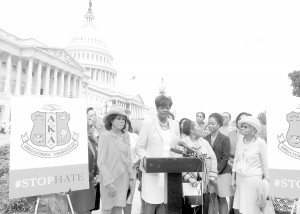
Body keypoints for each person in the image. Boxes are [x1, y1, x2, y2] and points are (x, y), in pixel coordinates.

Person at [135, 94, 180, 214]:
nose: (165, 110)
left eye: (168, 107)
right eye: (162, 107)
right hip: (152, 171)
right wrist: (148, 161)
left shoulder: (175, 125)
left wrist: (176, 163)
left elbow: (177, 147)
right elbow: (139, 147)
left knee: (164, 202)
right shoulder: (148, 124)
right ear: (157, 108)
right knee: (151, 202)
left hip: (168, 171)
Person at [98, 105, 135, 214]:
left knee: (118, 209)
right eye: (118, 118)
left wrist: (132, 178)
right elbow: (101, 162)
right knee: (107, 210)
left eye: (123, 119)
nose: (122, 121)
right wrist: (109, 182)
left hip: (123, 180)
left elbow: (128, 159)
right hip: (109, 180)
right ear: (111, 120)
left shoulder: (126, 136)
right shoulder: (105, 136)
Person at [231, 116, 269, 214]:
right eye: (242, 126)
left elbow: (265, 162)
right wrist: (233, 178)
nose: (242, 128)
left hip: (253, 180)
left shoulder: (260, 143)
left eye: (245, 127)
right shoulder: (240, 140)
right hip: (240, 179)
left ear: (253, 129)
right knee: (239, 207)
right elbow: (236, 159)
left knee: (252, 208)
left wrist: (266, 180)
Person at [180, 119, 218, 214]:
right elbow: (180, 164)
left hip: (204, 183)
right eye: (198, 127)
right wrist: (189, 178)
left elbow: (213, 157)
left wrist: (212, 175)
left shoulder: (204, 142)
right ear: (192, 130)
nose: (201, 128)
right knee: (191, 210)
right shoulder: (183, 143)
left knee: (203, 209)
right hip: (189, 184)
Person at [204, 113, 233, 214]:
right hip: (209, 173)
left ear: (219, 124)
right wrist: (210, 172)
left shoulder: (225, 139)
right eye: (209, 123)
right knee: (211, 198)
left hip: (223, 172)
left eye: (213, 123)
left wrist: (216, 171)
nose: (210, 125)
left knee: (222, 198)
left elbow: (225, 158)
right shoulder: (205, 139)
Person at [69, 118, 99, 214]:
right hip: (80, 185)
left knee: (87, 211)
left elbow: (97, 160)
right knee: (81, 210)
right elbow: (77, 167)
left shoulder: (92, 141)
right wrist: (91, 178)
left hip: (90, 185)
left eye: (93, 126)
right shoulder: (76, 144)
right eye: (90, 126)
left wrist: (97, 175)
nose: (92, 128)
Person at [227, 112, 252, 214]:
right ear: (237, 121)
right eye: (240, 119)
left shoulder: (253, 135)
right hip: (230, 166)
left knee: (245, 196)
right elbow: (226, 151)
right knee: (233, 196)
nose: (242, 121)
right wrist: (230, 163)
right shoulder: (231, 134)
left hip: (247, 169)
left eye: (245, 119)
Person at [123, 119, 139, 214]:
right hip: (118, 173)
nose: (124, 125)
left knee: (129, 200)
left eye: (126, 123)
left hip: (131, 171)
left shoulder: (134, 137)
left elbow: (139, 152)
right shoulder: (115, 136)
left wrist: (133, 163)